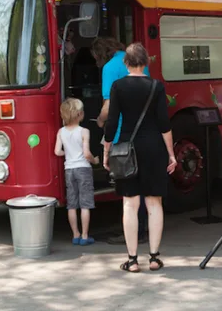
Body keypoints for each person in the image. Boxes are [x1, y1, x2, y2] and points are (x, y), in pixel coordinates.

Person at [104, 43, 177, 273]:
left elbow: (112, 122)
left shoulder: (118, 86)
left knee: (130, 203)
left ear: (126, 62)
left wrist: (106, 151)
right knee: (154, 203)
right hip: (154, 148)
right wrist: (171, 154)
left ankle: (133, 260)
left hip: (128, 150)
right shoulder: (156, 86)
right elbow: (164, 123)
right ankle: (154, 258)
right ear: (145, 62)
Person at [93, 37, 150, 244]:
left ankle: (134, 233)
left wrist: (100, 120)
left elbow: (108, 106)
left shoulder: (109, 68)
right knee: (143, 186)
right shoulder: (141, 65)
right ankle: (144, 228)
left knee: (128, 189)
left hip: (122, 135)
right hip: (145, 134)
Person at [54, 98, 100, 246]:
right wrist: (95, 161)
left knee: (72, 204)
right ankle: (85, 236)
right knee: (85, 204)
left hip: (69, 169)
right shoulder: (84, 131)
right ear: (79, 114)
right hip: (83, 169)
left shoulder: (61, 132)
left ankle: (75, 234)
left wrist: (68, 153)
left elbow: (57, 151)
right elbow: (86, 153)